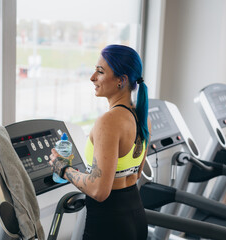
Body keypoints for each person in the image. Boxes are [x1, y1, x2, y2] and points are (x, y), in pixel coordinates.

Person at [49, 44, 151, 240]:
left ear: (121, 80)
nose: (92, 77)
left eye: (100, 71)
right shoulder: (141, 116)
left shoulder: (109, 121)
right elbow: (136, 173)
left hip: (109, 226)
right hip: (135, 217)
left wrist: (63, 168)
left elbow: (98, 190)